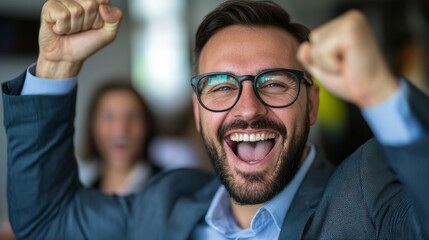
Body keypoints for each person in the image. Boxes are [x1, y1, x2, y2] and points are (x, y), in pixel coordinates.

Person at [2, 0, 428, 239]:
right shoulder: (163, 204)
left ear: (312, 104)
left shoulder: (369, 194)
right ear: (196, 109)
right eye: (221, 86)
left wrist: (382, 94)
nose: (247, 108)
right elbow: (47, 221)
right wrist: (55, 67)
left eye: (275, 82)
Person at [78, 81, 158, 195]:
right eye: (108, 117)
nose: (120, 130)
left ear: (146, 125)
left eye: (132, 117)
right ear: (93, 125)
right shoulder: (82, 189)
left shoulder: (165, 188)